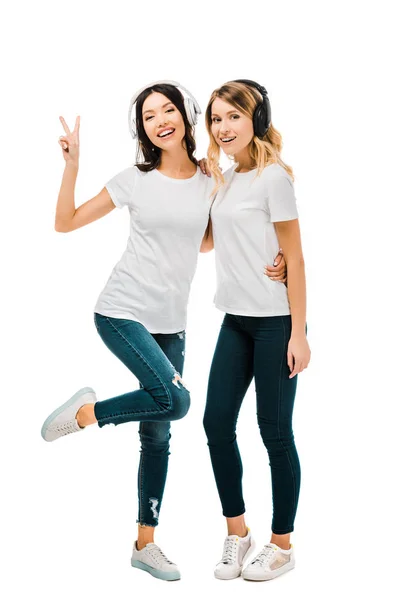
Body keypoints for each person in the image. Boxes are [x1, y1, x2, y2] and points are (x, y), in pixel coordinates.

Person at [40, 79, 289, 581]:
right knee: (176, 402)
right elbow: (64, 222)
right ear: (143, 130)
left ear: (186, 116)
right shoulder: (133, 179)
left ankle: (144, 544)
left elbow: (211, 242)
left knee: (157, 436)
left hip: (171, 325)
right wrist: (72, 165)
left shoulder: (208, 178)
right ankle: (86, 414)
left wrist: (276, 259)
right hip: (121, 312)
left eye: (168, 109)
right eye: (149, 116)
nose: (160, 120)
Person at [201, 79, 311, 582]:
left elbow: (297, 257)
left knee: (274, 432)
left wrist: (298, 333)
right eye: (216, 119)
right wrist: (206, 182)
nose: (224, 128)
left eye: (233, 117)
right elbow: (208, 244)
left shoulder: (273, 179)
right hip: (235, 320)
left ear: (255, 120)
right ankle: (238, 533)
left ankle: (281, 544)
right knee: (215, 423)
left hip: (275, 324)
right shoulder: (225, 179)